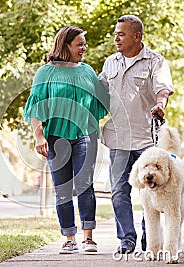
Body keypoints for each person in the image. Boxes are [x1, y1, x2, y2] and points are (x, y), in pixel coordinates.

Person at [23, 26, 109, 254]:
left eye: (84, 44)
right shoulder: (45, 72)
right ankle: (69, 238)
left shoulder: (87, 71)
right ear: (66, 46)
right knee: (62, 189)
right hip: (55, 137)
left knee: (84, 185)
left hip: (85, 135)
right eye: (79, 44)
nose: (84, 48)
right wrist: (39, 135)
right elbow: (36, 106)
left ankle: (88, 237)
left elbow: (105, 100)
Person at [98, 15, 174, 254]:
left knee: (149, 191)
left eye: (121, 34)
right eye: (116, 33)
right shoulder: (110, 63)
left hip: (147, 139)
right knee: (119, 190)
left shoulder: (155, 61)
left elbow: (163, 89)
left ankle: (148, 239)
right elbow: (98, 91)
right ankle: (126, 239)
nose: (116, 38)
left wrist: (160, 104)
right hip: (118, 138)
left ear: (137, 36)